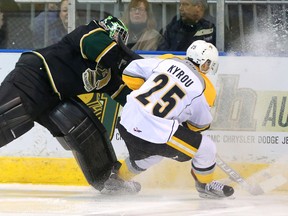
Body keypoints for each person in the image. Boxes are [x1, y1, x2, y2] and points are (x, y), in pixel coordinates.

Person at [0, 15, 141, 194]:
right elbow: (111, 54)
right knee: (5, 120)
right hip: (34, 76)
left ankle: (110, 181)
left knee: (84, 130)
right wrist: (146, 67)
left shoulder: (108, 73)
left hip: (56, 96)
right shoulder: (90, 33)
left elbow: (129, 96)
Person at [109, 40, 234, 199]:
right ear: (205, 63)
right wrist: (179, 116)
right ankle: (205, 185)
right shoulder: (205, 87)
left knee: (152, 155)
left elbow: (129, 73)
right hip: (155, 131)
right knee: (206, 147)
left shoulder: (168, 59)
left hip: (127, 120)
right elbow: (199, 125)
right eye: (209, 64)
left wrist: (151, 95)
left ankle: (118, 180)